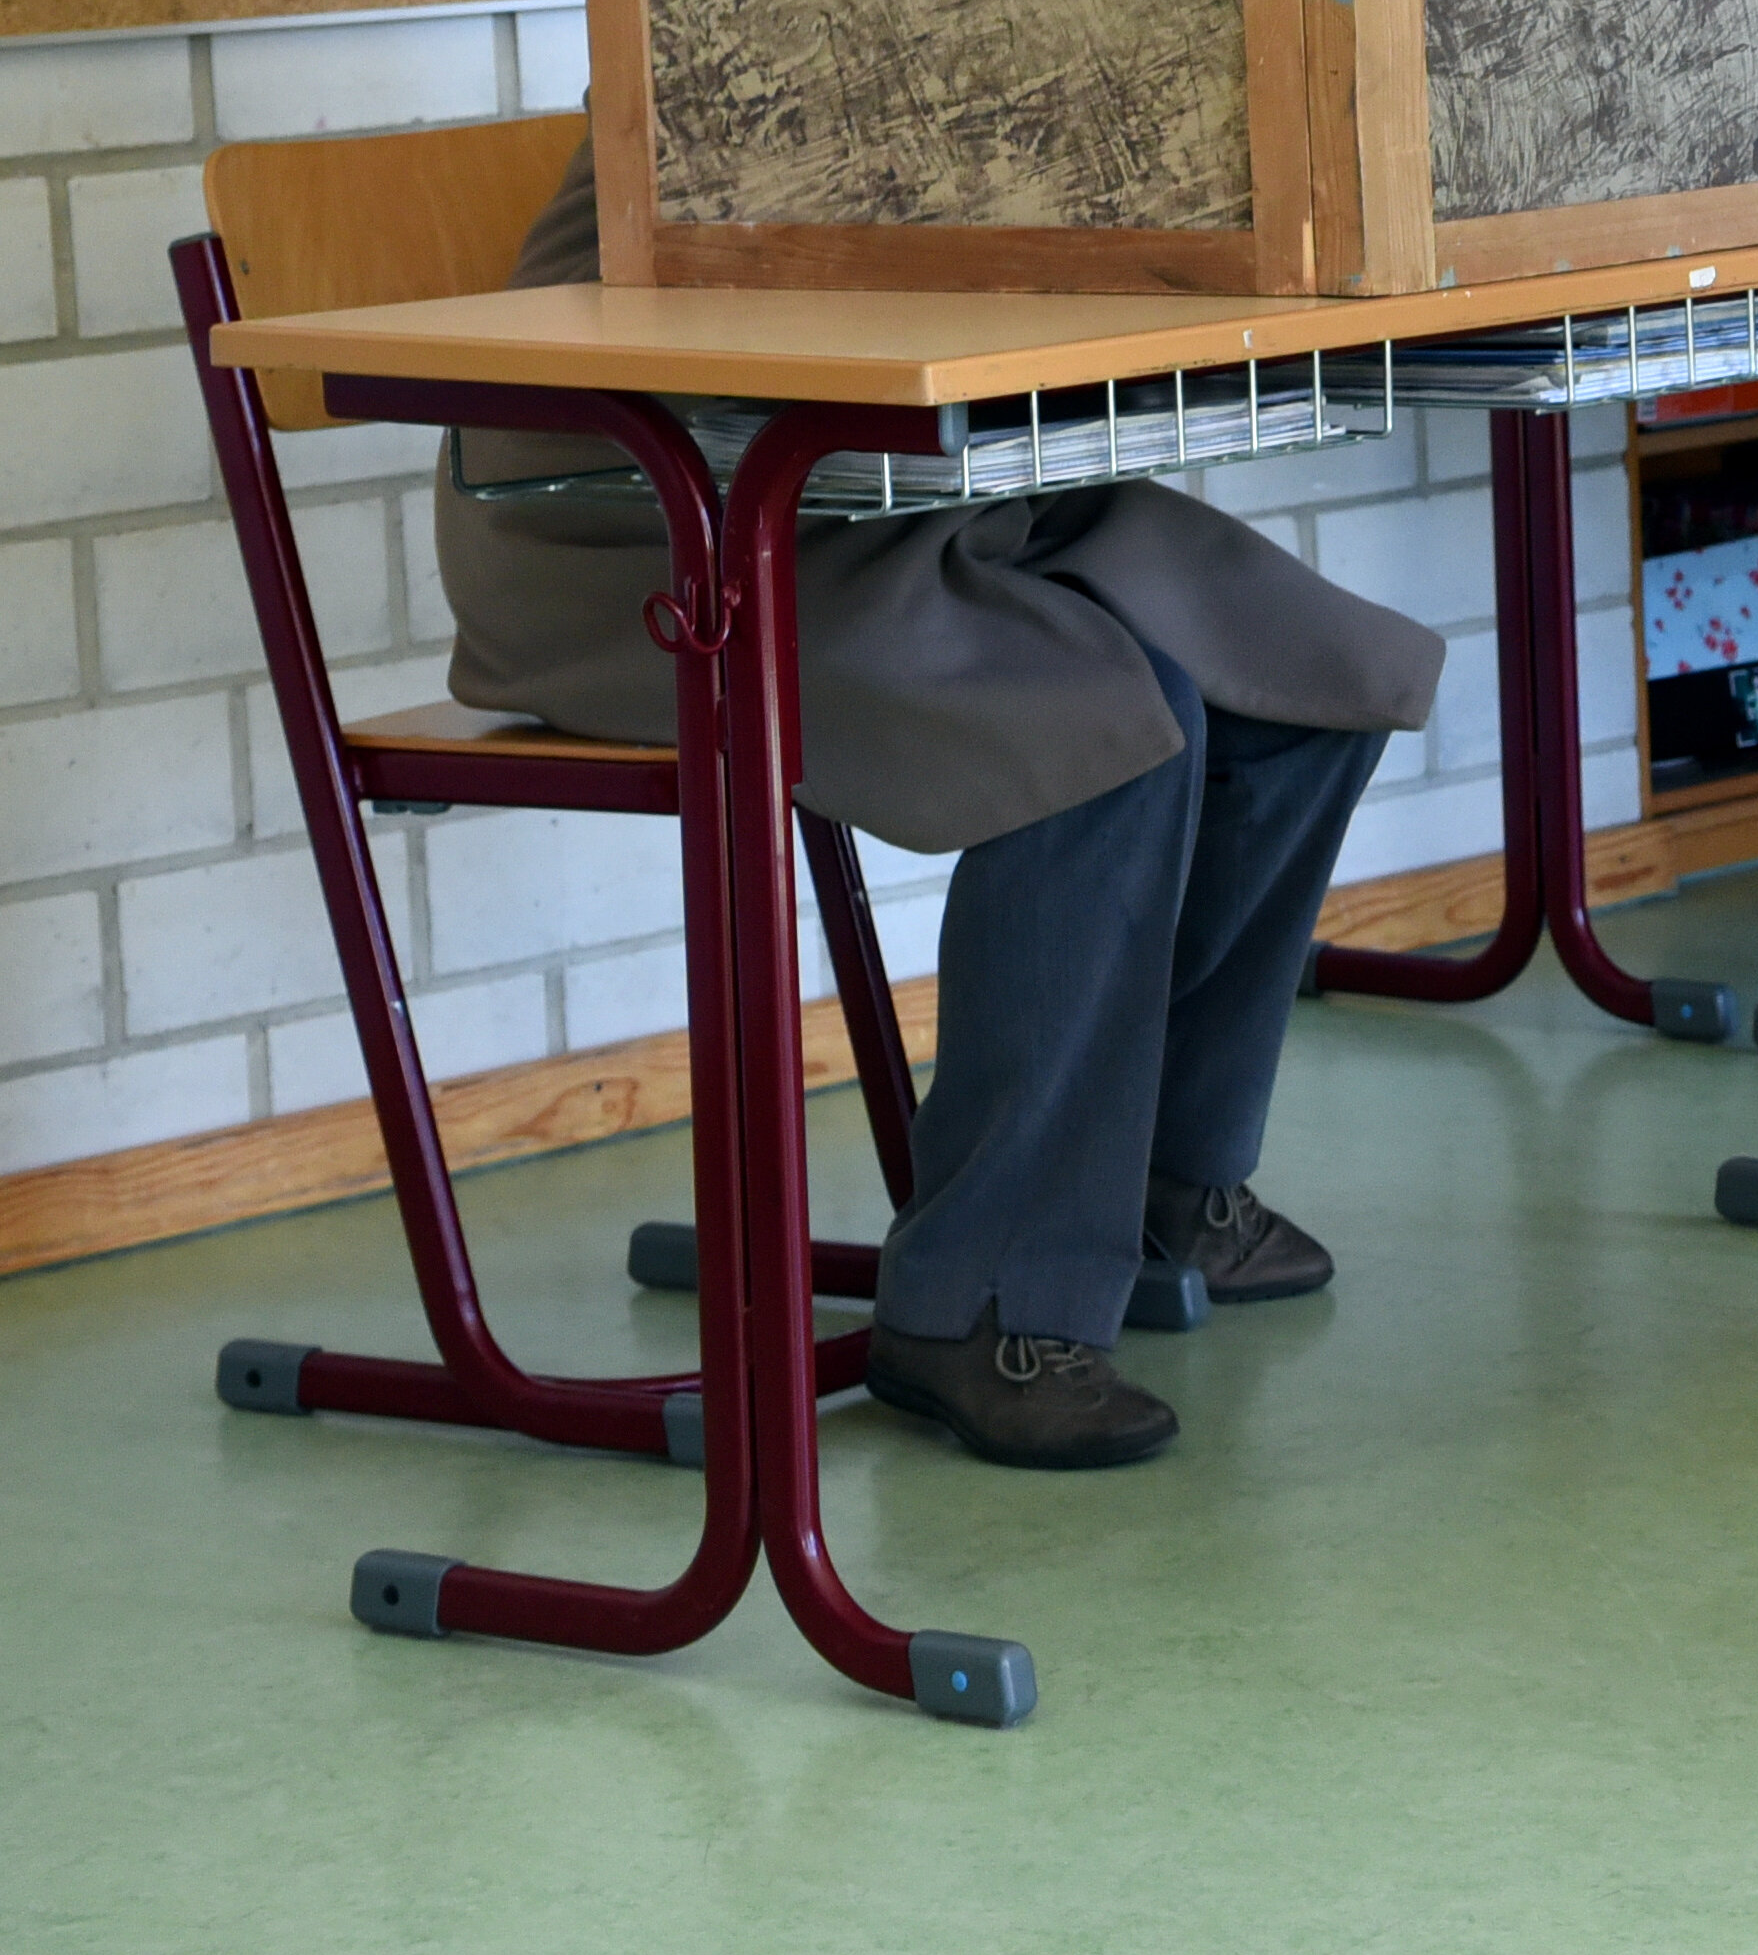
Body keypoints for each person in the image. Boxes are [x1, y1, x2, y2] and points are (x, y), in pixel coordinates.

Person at [434, 148, 1442, 1473]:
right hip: (641, 515)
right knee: (1107, 730)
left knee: (1306, 682)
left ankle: (1156, 1176)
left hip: (896, 470)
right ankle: (982, 1300)